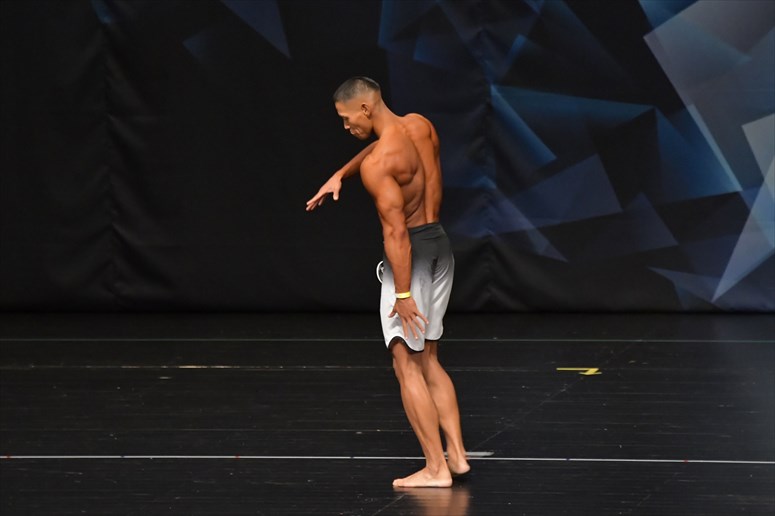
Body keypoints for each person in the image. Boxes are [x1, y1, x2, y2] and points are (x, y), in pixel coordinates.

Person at [306, 77, 470, 488]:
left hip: (411, 256)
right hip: (441, 246)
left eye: (347, 119)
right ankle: (457, 455)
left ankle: (435, 469)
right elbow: (381, 145)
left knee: (405, 363)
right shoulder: (420, 125)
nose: (346, 127)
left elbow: (395, 234)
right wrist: (340, 173)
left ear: (365, 109)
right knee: (428, 358)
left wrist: (402, 293)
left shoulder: (378, 165)